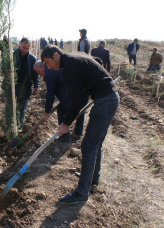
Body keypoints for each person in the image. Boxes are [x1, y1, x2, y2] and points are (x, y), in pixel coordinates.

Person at [41, 46, 119, 204]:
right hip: (107, 98)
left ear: (56, 55)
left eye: (48, 63)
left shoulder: (69, 66)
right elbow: (95, 62)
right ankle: (92, 180)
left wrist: (66, 123)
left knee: (88, 146)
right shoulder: (74, 58)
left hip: (105, 101)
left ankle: (82, 193)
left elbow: (79, 100)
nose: (49, 67)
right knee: (95, 144)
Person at [34, 62, 85, 142]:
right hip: (78, 90)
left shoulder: (49, 73)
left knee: (62, 109)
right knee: (79, 108)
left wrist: (47, 111)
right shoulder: (54, 67)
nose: (39, 75)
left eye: (38, 72)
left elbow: (50, 94)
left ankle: (64, 136)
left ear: (42, 66)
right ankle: (78, 133)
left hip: (69, 94)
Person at [2, 37, 40, 130]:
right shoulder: (12, 56)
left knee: (22, 109)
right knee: (9, 107)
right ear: (19, 45)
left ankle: (19, 127)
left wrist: (36, 86)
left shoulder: (32, 59)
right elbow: (3, 66)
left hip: (25, 88)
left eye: (27, 48)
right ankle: (9, 127)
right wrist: (6, 71)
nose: (25, 50)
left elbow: (36, 74)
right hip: (12, 86)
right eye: (23, 47)